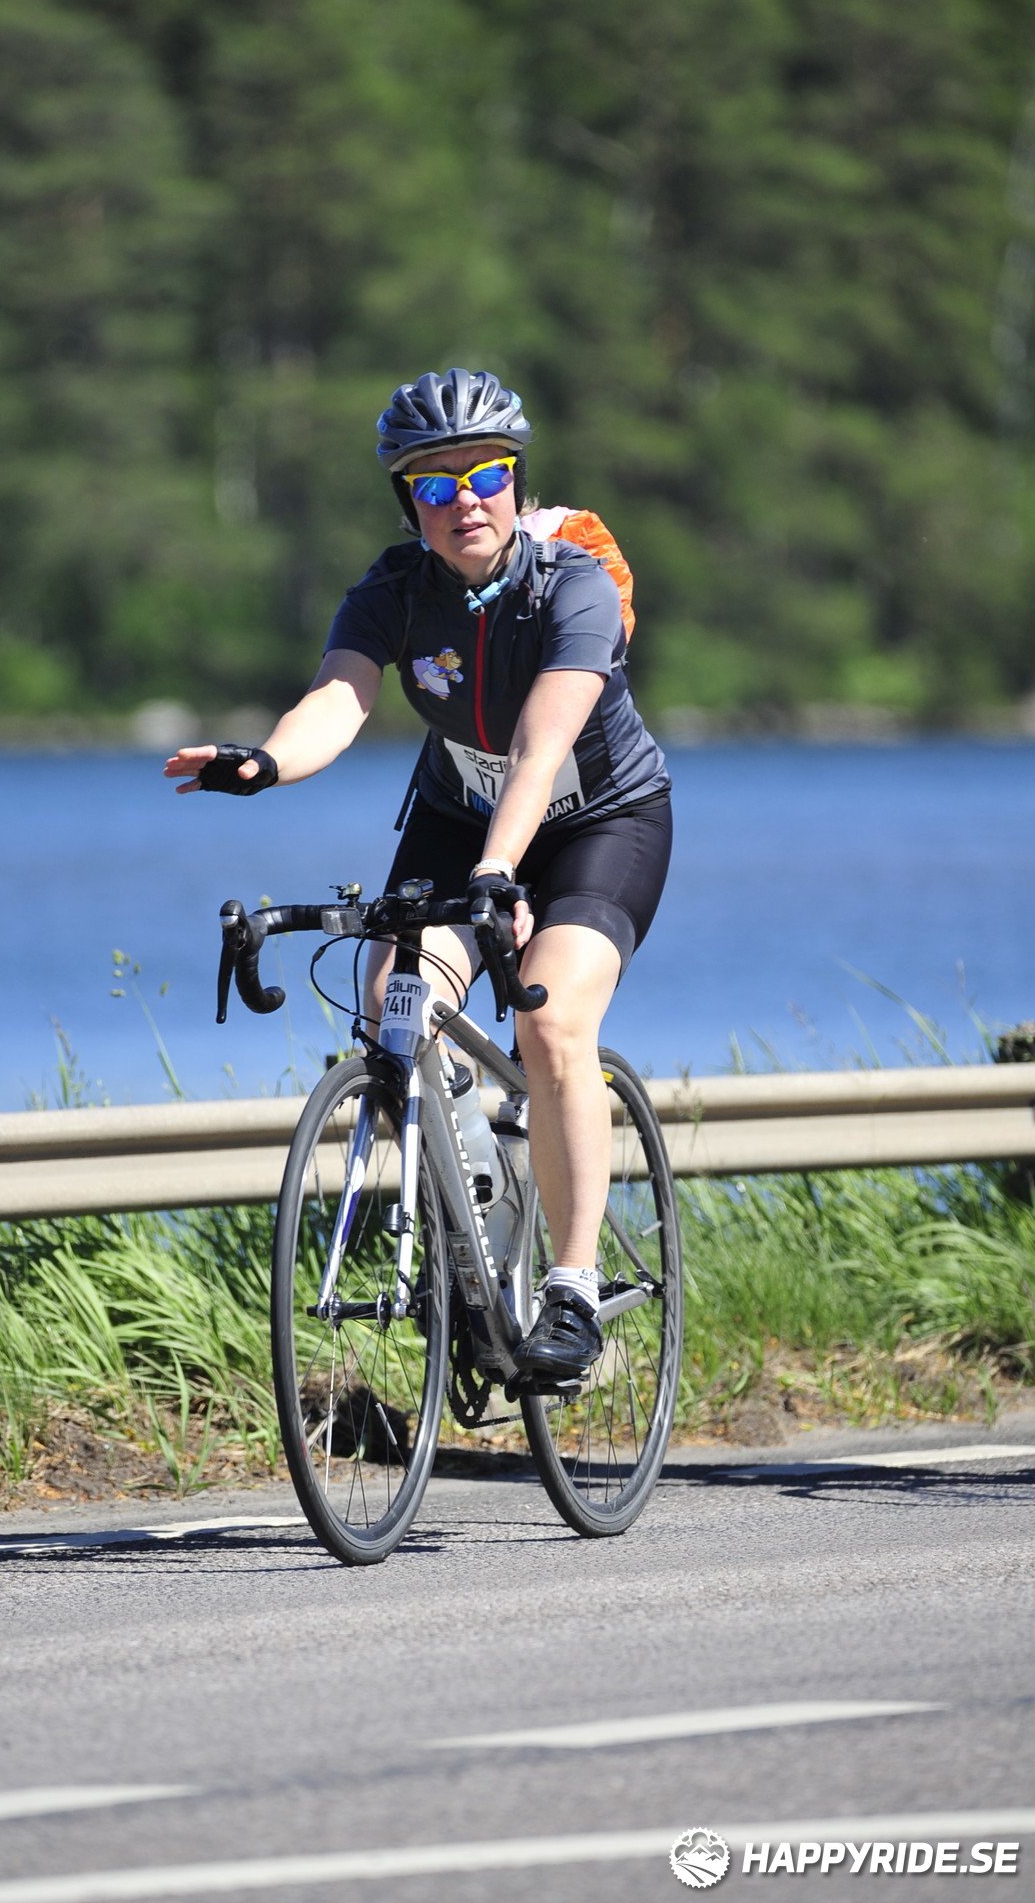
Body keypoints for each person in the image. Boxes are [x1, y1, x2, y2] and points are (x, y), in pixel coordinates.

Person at [165, 368, 672, 1383]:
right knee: (395, 1006)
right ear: (410, 504)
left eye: (485, 476)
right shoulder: (396, 590)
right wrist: (265, 763)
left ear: (515, 482)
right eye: (435, 485)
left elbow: (539, 750)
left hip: (597, 820)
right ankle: (480, 1217)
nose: (464, 501)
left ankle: (573, 1294)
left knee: (551, 1021)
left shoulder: (571, 584)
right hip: (457, 814)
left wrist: (500, 869)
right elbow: (338, 699)